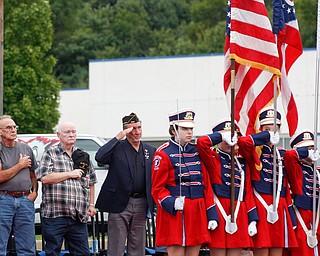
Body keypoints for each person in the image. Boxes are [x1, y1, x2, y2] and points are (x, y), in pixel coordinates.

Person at [152, 109, 219, 256]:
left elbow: (205, 185)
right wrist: (171, 202)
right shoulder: (163, 153)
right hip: (175, 211)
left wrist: (211, 214)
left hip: (197, 209)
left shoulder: (197, 151)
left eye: (191, 128)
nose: (189, 132)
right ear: (174, 130)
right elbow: (157, 188)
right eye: (184, 128)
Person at [237, 107, 298, 256]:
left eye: (275, 128)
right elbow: (243, 142)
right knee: (262, 250)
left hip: (280, 205)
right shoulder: (255, 151)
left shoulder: (282, 154)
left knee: (277, 250)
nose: (272, 132)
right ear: (261, 130)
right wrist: (265, 137)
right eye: (267, 128)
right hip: (261, 204)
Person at [95, 112, 156, 256]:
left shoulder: (150, 150)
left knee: (138, 245)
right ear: (126, 130)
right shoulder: (117, 148)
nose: (137, 132)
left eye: (139, 127)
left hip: (141, 202)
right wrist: (119, 136)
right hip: (120, 202)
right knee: (116, 245)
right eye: (132, 129)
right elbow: (99, 157)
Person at [197, 119, 258, 256]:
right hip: (219, 209)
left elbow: (247, 193)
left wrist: (252, 219)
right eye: (227, 137)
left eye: (233, 136)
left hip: (239, 211)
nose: (231, 140)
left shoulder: (242, 163)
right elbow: (201, 143)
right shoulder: (213, 157)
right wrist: (221, 136)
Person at [37, 121, 97, 256]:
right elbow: (44, 178)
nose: (71, 135)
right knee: (53, 252)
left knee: (83, 253)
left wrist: (91, 205)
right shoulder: (50, 153)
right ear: (58, 135)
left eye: (73, 132)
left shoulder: (84, 155)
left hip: (78, 216)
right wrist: (70, 173)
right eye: (67, 132)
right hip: (55, 215)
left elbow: (92, 182)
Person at [0, 115, 38, 256]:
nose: (13, 130)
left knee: (27, 247)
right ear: (0, 132)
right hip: (3, 199)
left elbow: (33, 173)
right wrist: (20, 165)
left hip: (25, 200)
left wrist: (34, 192)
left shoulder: (26, 148)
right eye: (9, 127)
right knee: (1, 245)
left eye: (15, 127)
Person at [284, 129, 320, 256]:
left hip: (317, 215)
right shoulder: (296, 169)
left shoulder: (317, 171)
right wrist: (305, 153)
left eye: (312, 148)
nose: (311, 151)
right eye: (307, 148)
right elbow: (288, 156)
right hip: (301, 215)